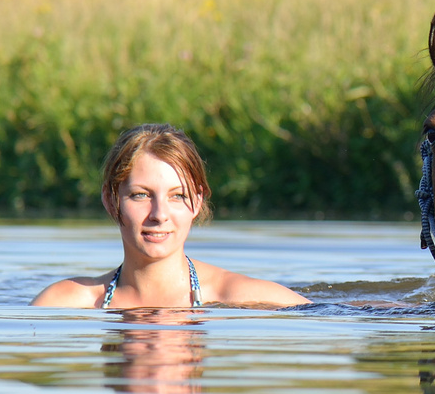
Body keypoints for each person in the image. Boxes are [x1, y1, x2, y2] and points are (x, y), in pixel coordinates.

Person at [32, 123, 310, 309]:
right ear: (110, 199)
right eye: (141, 195)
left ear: (197, 202)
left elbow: (341, 317)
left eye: (177, 196)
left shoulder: (245, 298)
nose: (159, 214)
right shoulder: (64, 303)